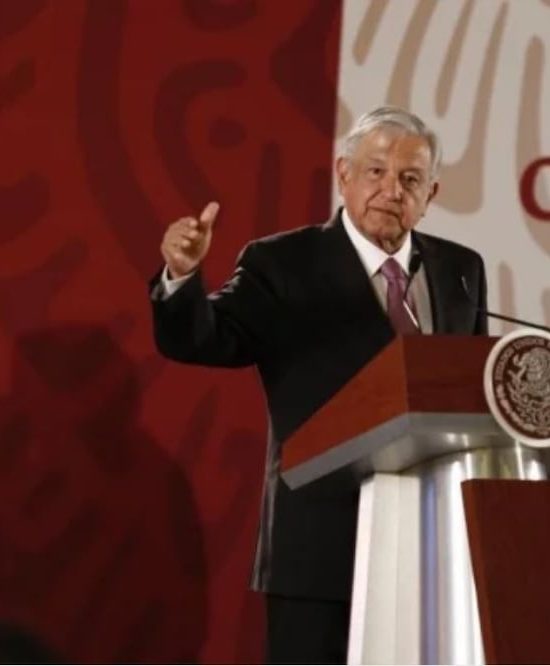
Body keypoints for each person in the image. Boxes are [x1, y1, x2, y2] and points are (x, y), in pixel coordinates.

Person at [150, 106, 488, 663]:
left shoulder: (461, 270)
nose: (390, 190)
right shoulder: (283, 263)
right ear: (344, 175)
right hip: (321, 549)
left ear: (431, 193)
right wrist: (182, 276)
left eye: (409, 179)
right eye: (375, 171)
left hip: (432, 552)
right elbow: (206, 338)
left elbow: (468, 400)